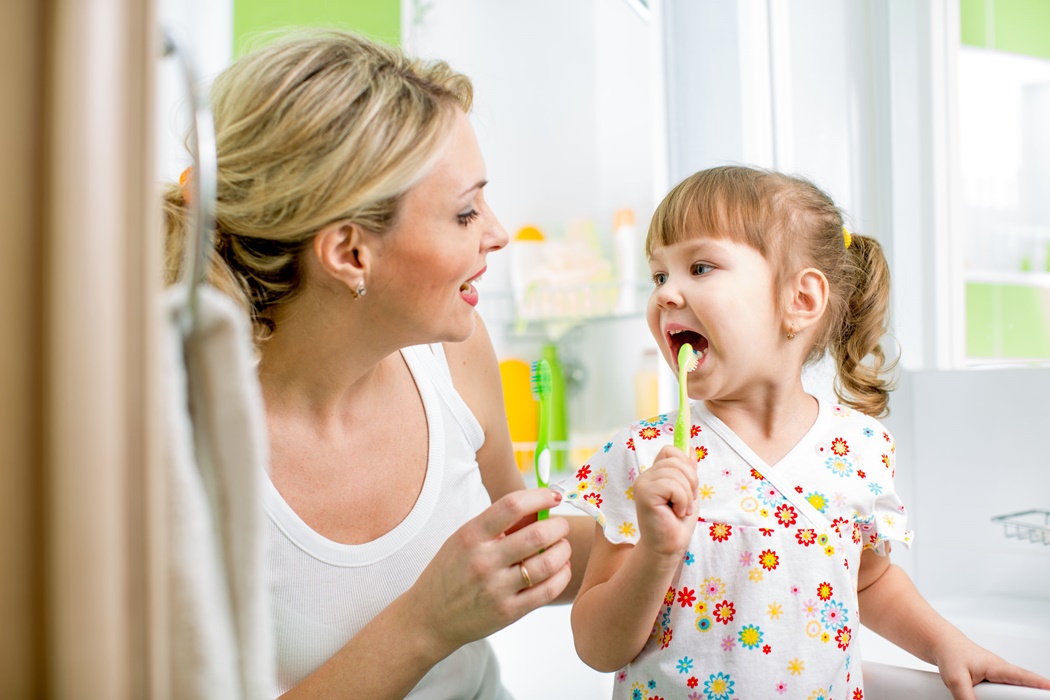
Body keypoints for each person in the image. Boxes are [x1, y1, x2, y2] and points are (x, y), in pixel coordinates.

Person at [163, 30, 593, 698]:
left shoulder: (455, 355)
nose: (498, 232)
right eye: (464, 212)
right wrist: (425, 623)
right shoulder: (184, 448)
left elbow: (530, 550)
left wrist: (672, 533)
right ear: (350, 254)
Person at [560, 165, 1050, 700]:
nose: (666, 294)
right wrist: (655, 553)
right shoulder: (644, 456)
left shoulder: (860, 449)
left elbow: (870, 581)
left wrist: (946, 644)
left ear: (800, 300)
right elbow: (596, 647)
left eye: (699, 266)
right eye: (658, 275)